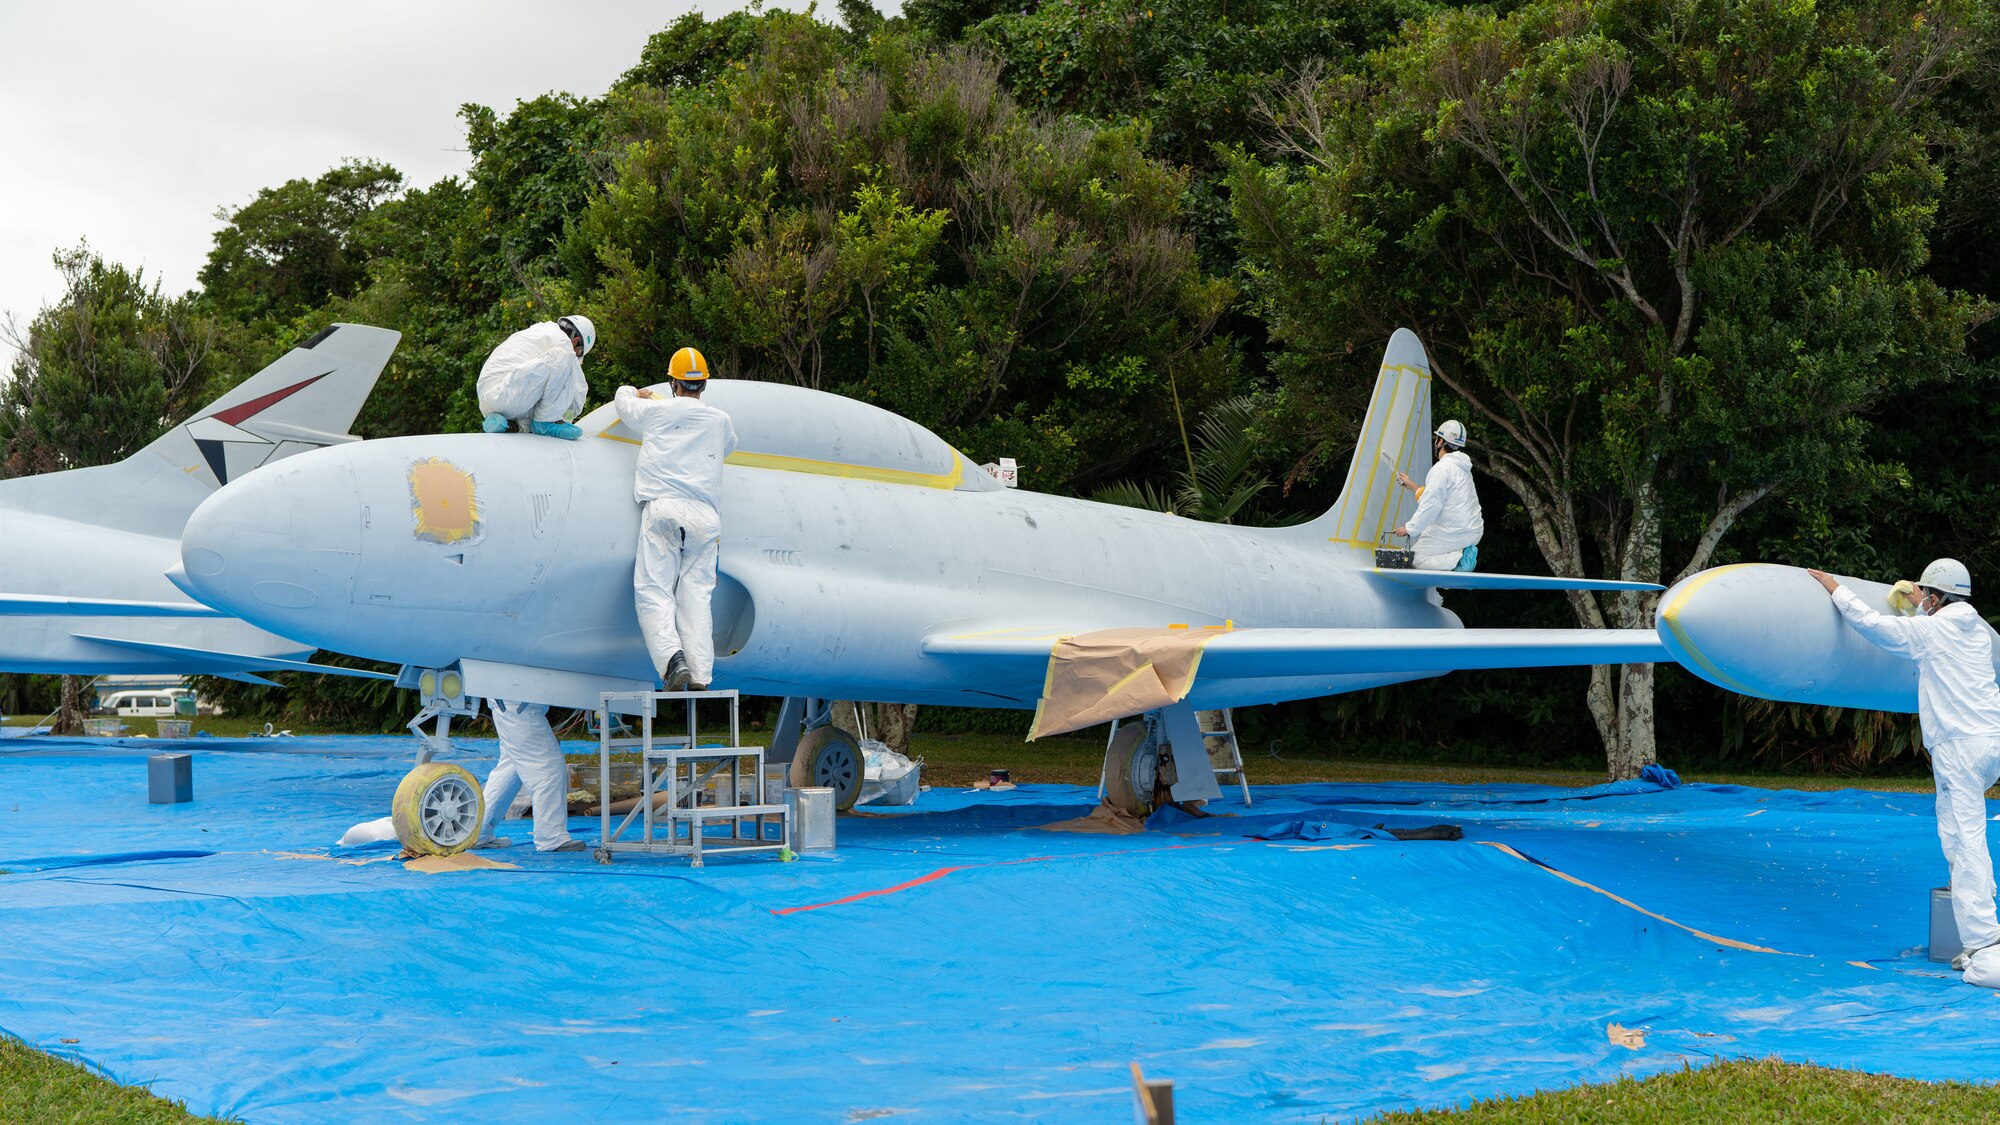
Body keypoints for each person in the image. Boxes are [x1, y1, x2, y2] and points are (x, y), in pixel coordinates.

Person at [1808, 560, 2000, 987]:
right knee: (1954, 827)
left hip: (1960, 745)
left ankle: (1986, 944)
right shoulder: (1973, 629)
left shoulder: (1934, 630)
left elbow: (1877, 627)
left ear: (1937, 597)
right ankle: (1977, 915)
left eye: (1927, 595)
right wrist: (1918, 604)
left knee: (1966, 836)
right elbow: (1933, 633)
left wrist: (1837, 589)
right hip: (1989, 741)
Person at [613, 346, 738, 691]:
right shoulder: (720, 420)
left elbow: (624, 405)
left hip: (664, 509)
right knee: (696, 596)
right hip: (706, 518)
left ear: (673, 382)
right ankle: (700, 674)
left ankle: (673, 661)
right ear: (704, 385)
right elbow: (728, 446)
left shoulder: (656, 411)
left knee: (654, 590)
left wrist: (634, 392)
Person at [471, 699, 584, 852]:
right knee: (547, 767)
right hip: (519, 705)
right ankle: (551, 837)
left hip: (511, 704)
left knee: (510, 768)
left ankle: (478, 832)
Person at [476, 315, 596, 440]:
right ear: (575, 341)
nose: (575, 356)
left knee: (543, 396)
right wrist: (565, 417)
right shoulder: (562, 343)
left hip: (490, 400)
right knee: (562, 358)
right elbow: (578, 389)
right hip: (507, 393)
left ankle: (503, 423)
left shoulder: (539, 332)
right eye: (578, 352)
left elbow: (532, 387)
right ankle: (546, 422)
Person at [1393, 419, 1483, 572]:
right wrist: (1413, 486)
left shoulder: (1442, 468)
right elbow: (1441, 500)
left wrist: (1409, 528)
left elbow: (1431, 506)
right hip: (1472, 531)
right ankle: (1458, 555)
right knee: (1424, 548)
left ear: (1441, 441)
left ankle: (1459, 558)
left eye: (1437, 439)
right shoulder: (1462, 468)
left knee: (1413, 559)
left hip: (1454, 532)